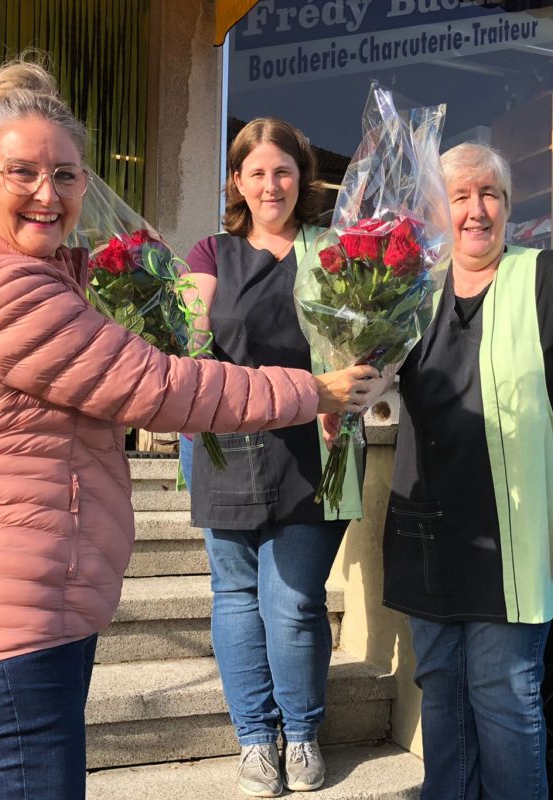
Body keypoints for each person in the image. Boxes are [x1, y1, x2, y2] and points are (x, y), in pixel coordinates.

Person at [0, 56, 380, 800]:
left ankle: (300, 731)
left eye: (66, 176)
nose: (48, 193)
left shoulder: (18, 271)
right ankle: (260, 737)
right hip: (16, 612)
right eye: (22, 172)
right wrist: (314, 389)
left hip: (34, 597)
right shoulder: (4, 290)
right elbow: (160, 381)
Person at [381, 142, 553, 799]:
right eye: (460, 197)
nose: (476, 210)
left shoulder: (551, 276)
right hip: (428, 530)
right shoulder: (405, 292)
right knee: (443, 697)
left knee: (507, 700)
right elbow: (368, 388)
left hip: (514, 535)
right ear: (438, 211)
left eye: (490, 194)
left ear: (508, 206)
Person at [178, 117, 376, 797]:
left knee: (292, 601)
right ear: (237, 181)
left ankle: (300, 732)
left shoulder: (335, 253)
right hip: (226, 447)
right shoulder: (210, 253)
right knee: (235, 596)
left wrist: (366, 377)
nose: (271, 184)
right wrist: (169, 332)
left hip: (314, 446)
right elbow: (190, 330)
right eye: (257, 172)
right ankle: (255, 740)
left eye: (284, 171)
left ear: (304, 179)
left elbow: (364, 345)